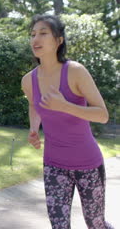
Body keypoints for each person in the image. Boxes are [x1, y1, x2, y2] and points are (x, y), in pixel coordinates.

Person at [21, 14, 114, 229]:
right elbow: (34, 106)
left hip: (88, 163)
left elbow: (102, 114)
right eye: (32, 34)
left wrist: (65, 106)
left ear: (59, 40)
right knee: (59, 225)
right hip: (53, 164)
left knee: (96, 223)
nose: (36, 39)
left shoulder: (75, 72)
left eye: (43, 33)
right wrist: (34, 128)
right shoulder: (29, 80)